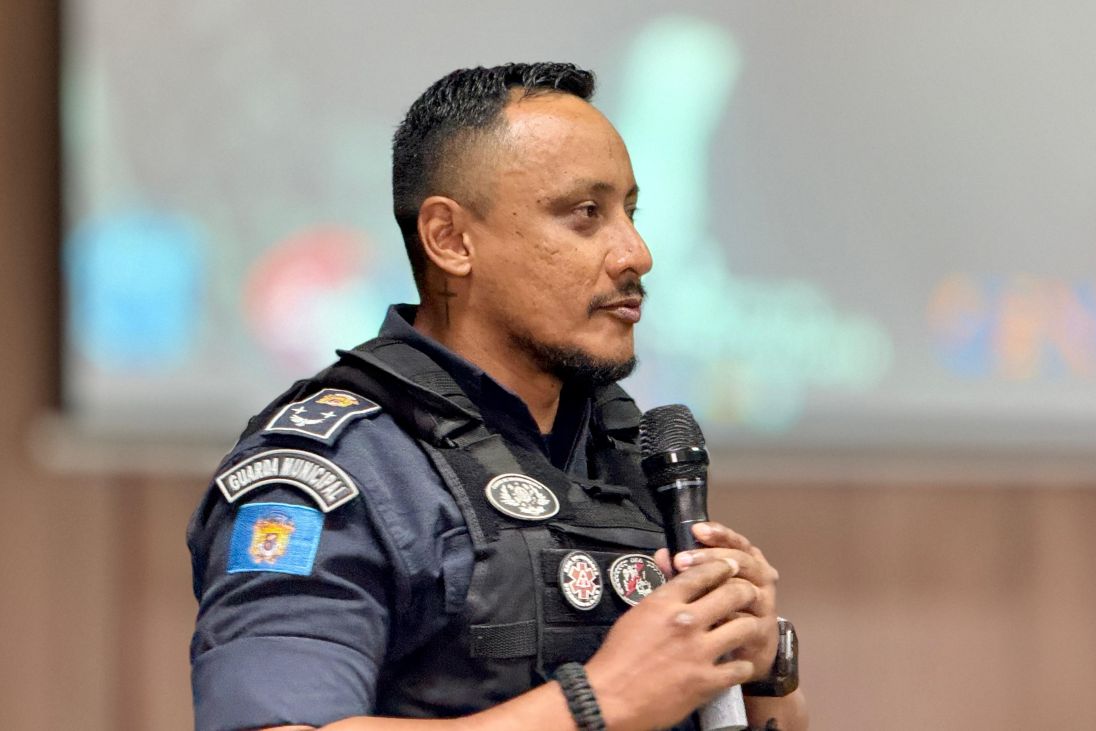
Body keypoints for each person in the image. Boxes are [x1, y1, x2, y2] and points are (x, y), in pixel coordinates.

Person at [188, 62, 808, 731]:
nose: (636, 253)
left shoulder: (626, 450)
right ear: (451, 239)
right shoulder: (337, 469)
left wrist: (764, 672)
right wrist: (601, 702)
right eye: (586, 214)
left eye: (630, 213)